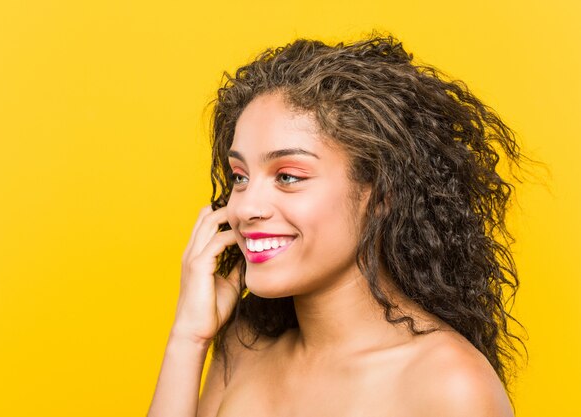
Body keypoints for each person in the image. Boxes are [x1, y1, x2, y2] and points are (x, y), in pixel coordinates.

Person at [147, 34, 527, 417]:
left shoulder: (450, 385)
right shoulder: (243, 349)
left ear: (380, 195)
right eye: (241, 176)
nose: (246, 208)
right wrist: (188, 339)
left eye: (288, 176)